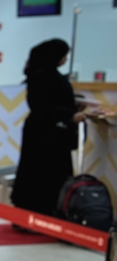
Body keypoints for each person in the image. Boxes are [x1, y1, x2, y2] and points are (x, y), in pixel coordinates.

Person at [11, 39, 86, 217]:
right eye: (64, 55)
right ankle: (42, 212)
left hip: (42, 131)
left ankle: (33, 211)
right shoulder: (45, 76)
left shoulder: (40, 75)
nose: (65, 59)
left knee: (35, 172)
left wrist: (72, 109)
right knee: (44, 174)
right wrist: (70, 115)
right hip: (47, 134)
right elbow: (44, 106)